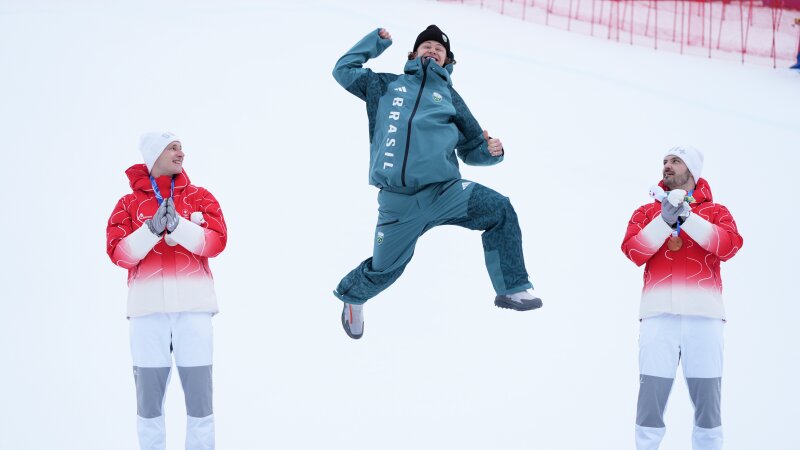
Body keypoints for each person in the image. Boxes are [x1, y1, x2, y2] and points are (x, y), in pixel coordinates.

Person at [331, 25, 543, 340]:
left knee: (499, 209)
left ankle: (512, 289)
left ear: (447, 61)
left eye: (438, 49)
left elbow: (472, 148)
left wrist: (491, 151)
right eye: (426, 45)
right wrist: (375, 42)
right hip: (397, 201)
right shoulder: (383, 86)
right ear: (413, 54)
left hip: (445, 192)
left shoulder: (450, 99)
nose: (432, 50)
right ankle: (353, 297)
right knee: (385, 269)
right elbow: (343, 70)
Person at [106, 132, 227, 450]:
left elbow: (217, 242)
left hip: (195, 310)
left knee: (201, 403)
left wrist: (180, 227)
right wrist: (150, 230)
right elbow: (118, 253)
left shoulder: (201, 197)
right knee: (149, 406)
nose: (181, 153)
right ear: (154, 154)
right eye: (173, 147)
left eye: (182, 147)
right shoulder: (128, 205)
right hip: (147, 315)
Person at [621, 146, 743, 450]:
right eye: (665, 161)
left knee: (708, 404)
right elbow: (633, 251)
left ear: (693, 170)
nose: (667, 166)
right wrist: (664, 222)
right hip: (658, 316)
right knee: (650, 401)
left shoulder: (717, 212)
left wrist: (689, 218)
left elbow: (728, 246)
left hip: (705, 318)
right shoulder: (647, 212)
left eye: (675, 161)